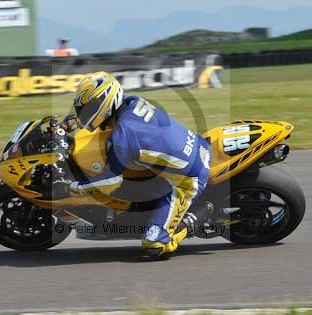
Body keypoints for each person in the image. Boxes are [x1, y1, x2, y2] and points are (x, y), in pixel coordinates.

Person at [68, 71, 211, 259]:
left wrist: (74, 189)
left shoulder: (123, 136)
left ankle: (192, 220)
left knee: (154, 244)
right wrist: (68, 124)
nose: (84, 114)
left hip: (187, 180)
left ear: (104, 103)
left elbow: (111, 182)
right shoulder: (132, 102)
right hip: (195, 146)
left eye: (89, 108)